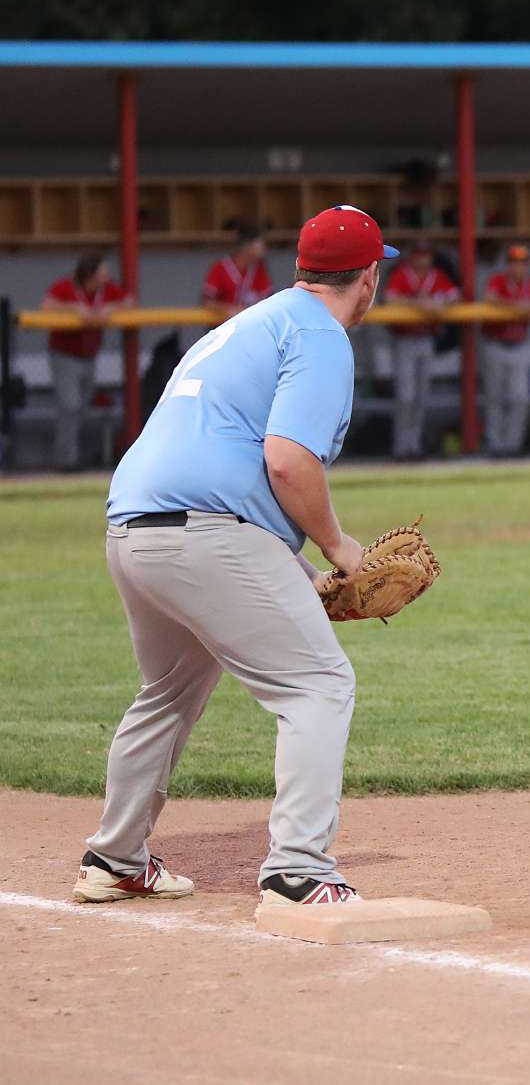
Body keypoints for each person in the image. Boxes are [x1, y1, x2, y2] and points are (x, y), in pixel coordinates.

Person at [85, 204, 397, 910]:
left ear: (301, 269)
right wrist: (340, 549)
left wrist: (301, 573)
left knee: (169, 692)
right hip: (207, 532)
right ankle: (298, 870)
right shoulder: (321, 335)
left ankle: (114, 857)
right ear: (369, 278)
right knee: (319, 685)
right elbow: (286, 461)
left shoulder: (249, 322)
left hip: (134, 529)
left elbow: (232, 470)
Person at [41, 251, 131, 472]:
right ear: (90, 274)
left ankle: (69, 455)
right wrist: (74, 308)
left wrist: (110, 308)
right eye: (102, 272)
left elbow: (130, 301)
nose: (106, 276)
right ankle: (66, 461)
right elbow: (47, 305)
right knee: (70, 405)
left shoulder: (106, 289)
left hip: (89, 357)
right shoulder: (66, 286)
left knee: (81, 407)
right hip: (64, 356)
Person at [383, 239, 458, 461]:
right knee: (406, 396)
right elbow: (389, 299)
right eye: (418, 254)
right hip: (405, 340)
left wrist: (436, 304)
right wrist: (419, 304)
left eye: (425, 255)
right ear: (411, 256)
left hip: (426, 339)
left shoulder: (436, 275)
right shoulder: (402, 274)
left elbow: (455, 296)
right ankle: (401, 447)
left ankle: (414, 445)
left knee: (421, 396)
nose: (422, 259)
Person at [481, 245, 530, 456]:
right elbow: (489, 298)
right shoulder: (498, 280)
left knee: (520, 397)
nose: (518, 267)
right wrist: (516, 306)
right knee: (494, 398)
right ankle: (495, 446)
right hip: (496, 344)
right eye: (514, 262)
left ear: (528, 265)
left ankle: (512, 446)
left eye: (522, 263)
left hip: (520, 346)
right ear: (508, 264)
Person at [201, 222, 274, 318]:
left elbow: (269, 300)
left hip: (249, 324)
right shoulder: (221, 267)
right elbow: (207, 302)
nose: (264, 248)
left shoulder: (259, 268)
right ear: (247, 246)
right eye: (260, 243)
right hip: (223, 325)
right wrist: (229, 309)